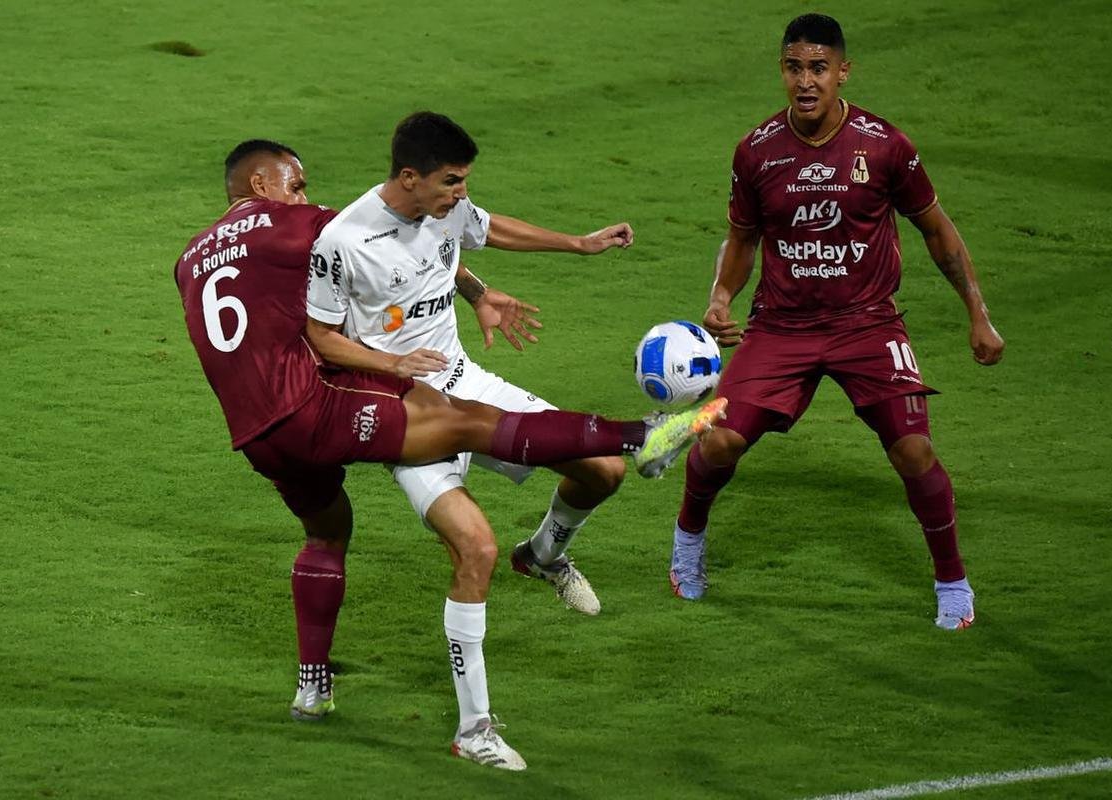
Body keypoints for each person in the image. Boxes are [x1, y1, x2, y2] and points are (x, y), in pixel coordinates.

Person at [173, 139, 725, 772]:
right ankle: (644, 435)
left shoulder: (190, 257)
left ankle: (322, 681)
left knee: (335, 529)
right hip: (340, 399)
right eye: (294, 185)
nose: (304, 194)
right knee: (469, 498)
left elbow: (438, 237)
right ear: (262, 188)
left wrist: (487, 286)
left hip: (258, 433)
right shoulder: (307, 224)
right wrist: (389, 360)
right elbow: (339, 293)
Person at [667, 14, 1004, 631]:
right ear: (782, 71)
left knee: (913, 450)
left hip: (867, 323)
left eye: (818, 68)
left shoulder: (884, 146)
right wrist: (720, 299)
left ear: (842, 72)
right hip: (781, 326)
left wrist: (977, 314)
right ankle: (688, 537)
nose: (805, 81)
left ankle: (952, 579)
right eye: (794, 67)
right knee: (718, 441)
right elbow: (741, 240)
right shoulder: (756, 151)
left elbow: (938, 231)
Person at [308, 112, 635, 625]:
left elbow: (477, 231)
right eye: (453, 181)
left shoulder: (445, 208)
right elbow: (321, 337)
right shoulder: (341, 241)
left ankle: (542, 555)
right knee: (474, 547)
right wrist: (393, 363)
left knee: (604, 468)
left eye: (465, 181)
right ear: (410, 177)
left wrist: (576, 244)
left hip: (466, 382)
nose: (462, 193)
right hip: (408, 414)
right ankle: (474, 707)